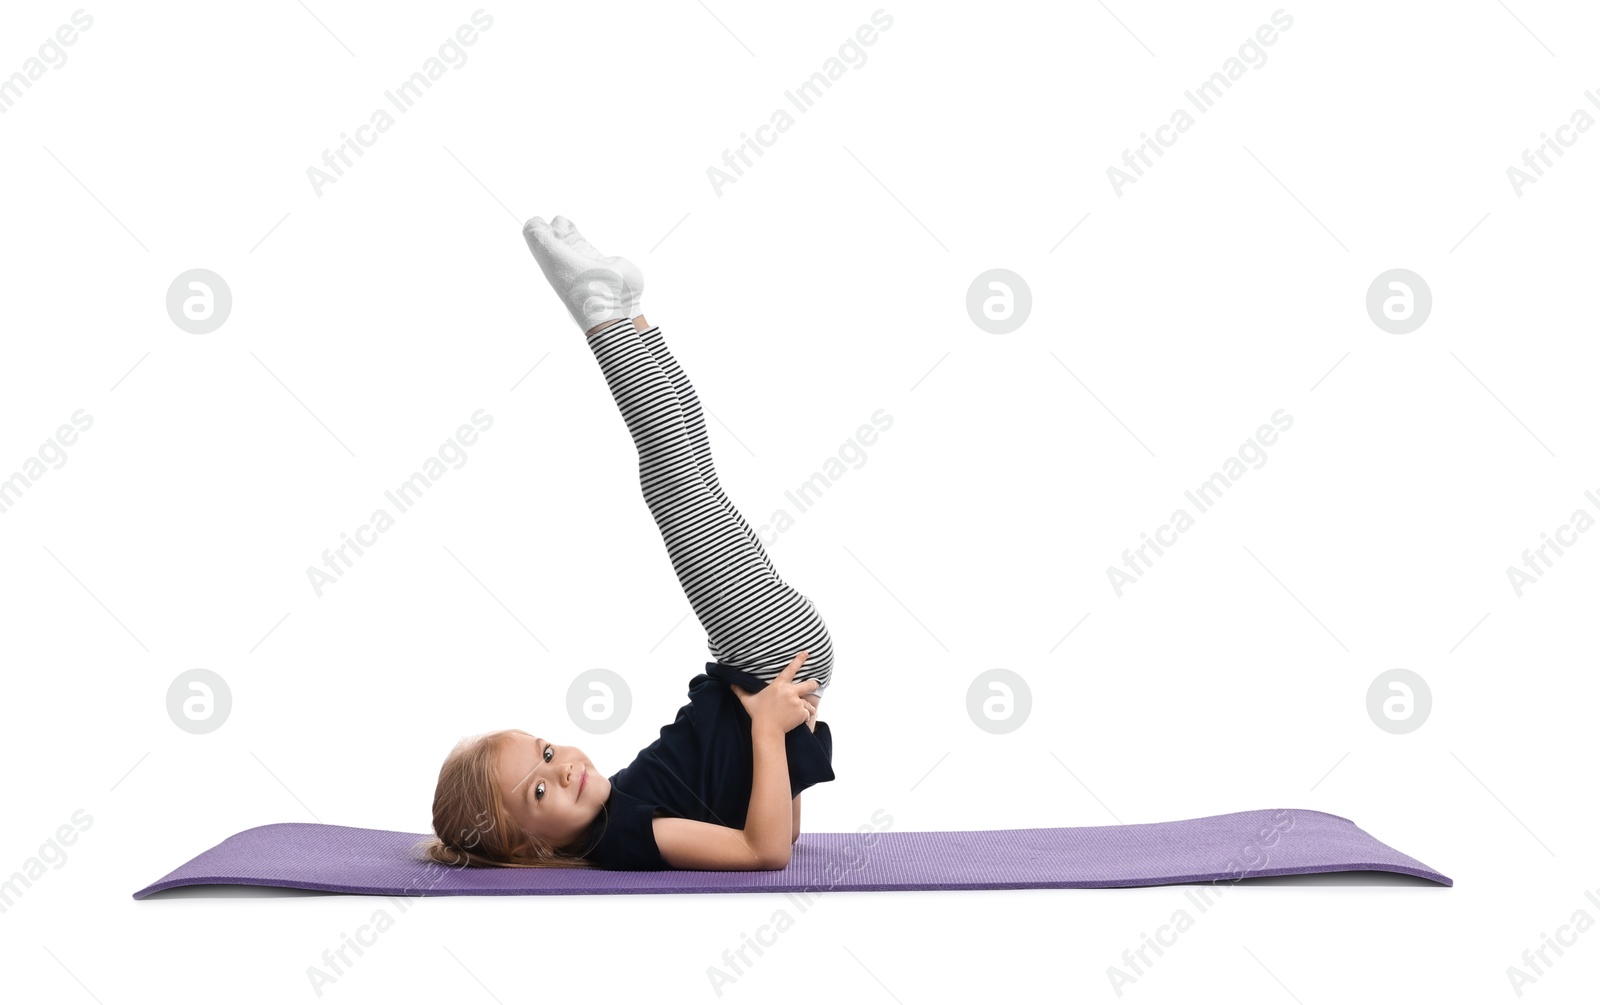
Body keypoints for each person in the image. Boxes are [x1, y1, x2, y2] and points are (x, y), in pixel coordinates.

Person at [422, 216, 835, 871]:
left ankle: (630, 314)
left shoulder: (620, 807)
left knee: (691, 469)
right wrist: (767, 725)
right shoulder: (621, 838)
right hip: (765, 656)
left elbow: (770, 827)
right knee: (676, 483)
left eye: (549, 753)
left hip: (761, 661)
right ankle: (604, 314)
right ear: (531, 843)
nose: (565, 771)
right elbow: (766, 851)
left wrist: (785, 730)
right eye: (538, 788)